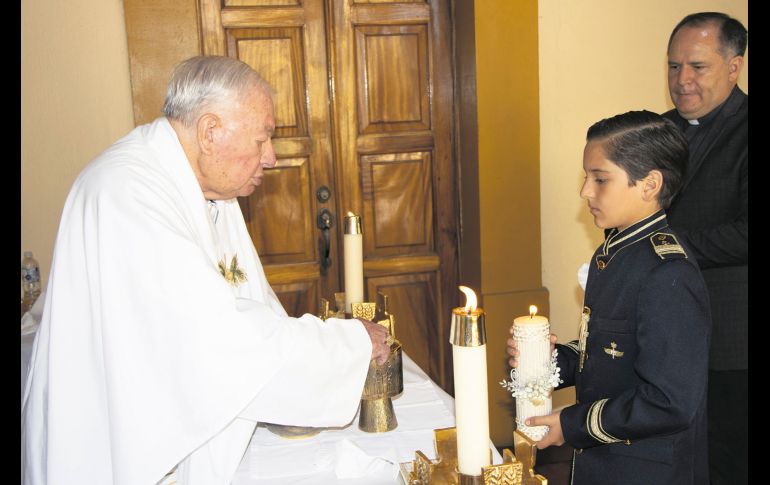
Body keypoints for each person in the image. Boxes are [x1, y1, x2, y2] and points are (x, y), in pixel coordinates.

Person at [21, 55, 391, 485]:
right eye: (262, 139)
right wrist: (345, 345)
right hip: (114, 453)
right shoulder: (126, 195)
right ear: (210, 131)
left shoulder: (208, 189)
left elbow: (254, 308)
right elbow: (216, 339)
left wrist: (313, 361)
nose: (270, 158)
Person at [507, 111, 711, 484]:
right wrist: (549, 362)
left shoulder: (668, 273)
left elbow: (669, 401)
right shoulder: (614, 253)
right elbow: (606, 352)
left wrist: (571, 425)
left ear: (649, 185)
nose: (585, 191)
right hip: (606, 462)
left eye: (600, 179)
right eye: (587, 177)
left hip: (646, 469)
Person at [663, 13, 748, 484]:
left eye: (697, 66)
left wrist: (664, 245)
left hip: (731, 340)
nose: (682, 80)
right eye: (673, 66)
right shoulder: (656, 131)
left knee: (728, 462)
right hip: (665, 333)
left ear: (734, 67)